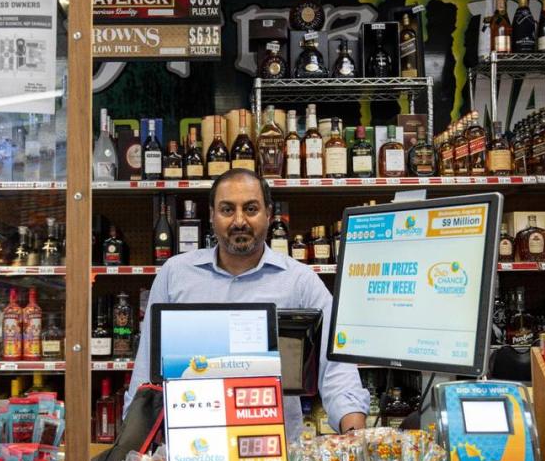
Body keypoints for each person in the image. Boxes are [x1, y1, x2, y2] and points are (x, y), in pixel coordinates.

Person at [123, 168, 369, 441]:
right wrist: (132, 452)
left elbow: (337, 366)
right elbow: (145, 374)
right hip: (192, 449)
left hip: (274, 452)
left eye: (250, 209)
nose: (239, 221)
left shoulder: (300, 281)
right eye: (227, 210)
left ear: (269, 213)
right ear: (212, 216)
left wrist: (355, 438)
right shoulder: (175, 274)